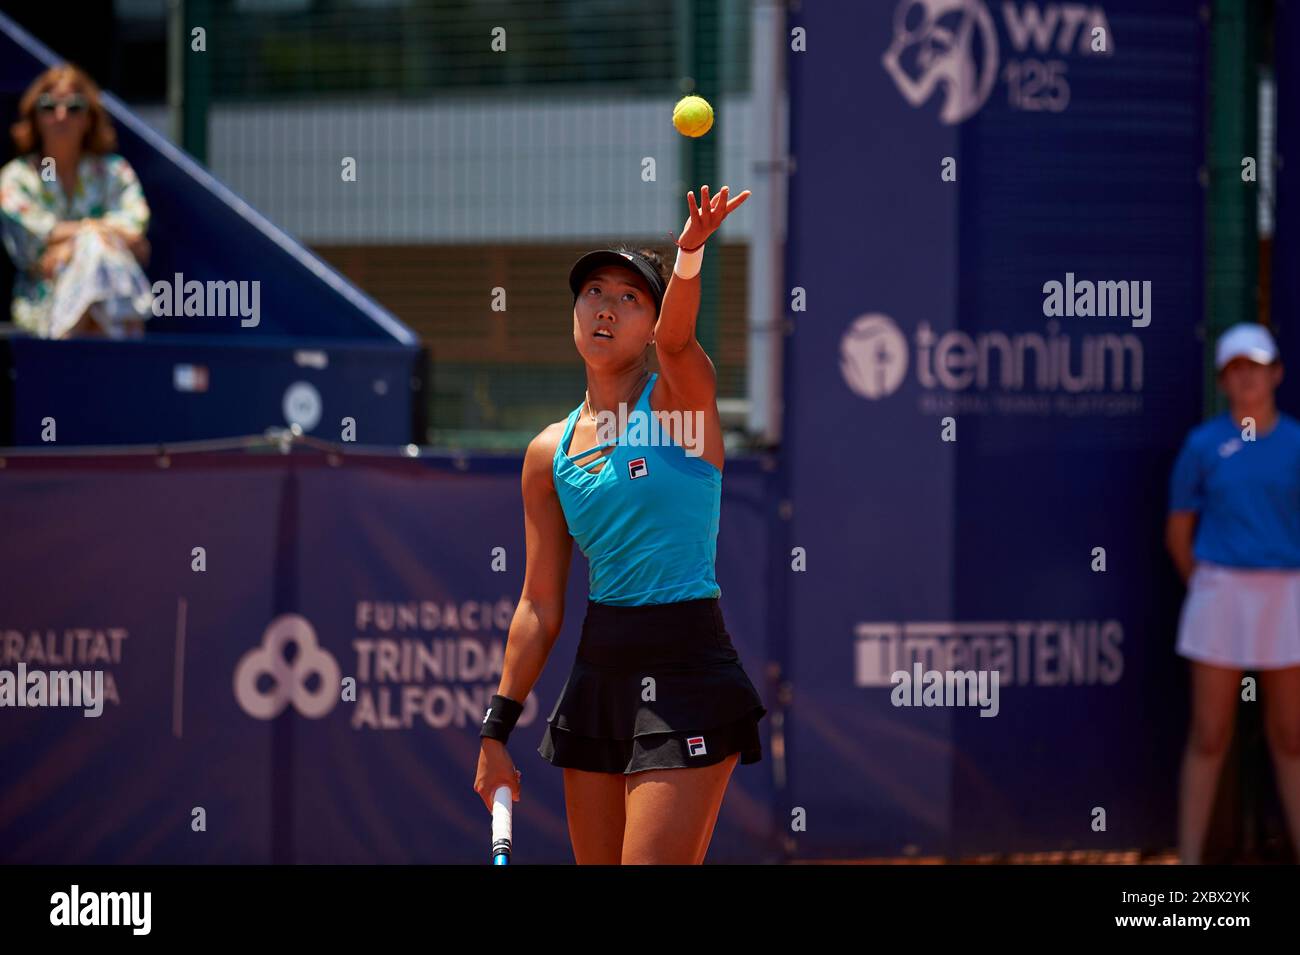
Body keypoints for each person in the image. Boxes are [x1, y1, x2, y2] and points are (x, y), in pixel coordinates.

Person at [472, 185, 767, 864]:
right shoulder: (549, 452)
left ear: (653, 322)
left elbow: (681, 338)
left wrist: (689, 255)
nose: (605, 305)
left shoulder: (681, 405)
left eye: (630, 296)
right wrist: (496, 727)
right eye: (594, 291)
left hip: (688, 666)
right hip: (599, 674)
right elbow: (539, 606)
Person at [1166, 322, 1300, 864]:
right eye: (1235, 369)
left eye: (1255, 366)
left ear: (1276, 375)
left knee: (1291, 736)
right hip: (1218, 595)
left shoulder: (1296, 443)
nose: (1246, 377)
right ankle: (1190, 868)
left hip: (1286, 596)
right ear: (1224, 381)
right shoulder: (1202, 446)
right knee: (1209, 733)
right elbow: (1179, 534)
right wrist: (1210, 587)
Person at [0, 63, 152, 339]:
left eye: (74, 107)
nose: (61, 116)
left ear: (88, 118)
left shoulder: (113, 171)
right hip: (43, 304)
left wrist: (71, 242)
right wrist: (98, 232)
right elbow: (32, 237)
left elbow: (134, 224)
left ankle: (76, 355)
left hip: (109, 299)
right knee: (97, 247)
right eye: (48, 107)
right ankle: (121, 353)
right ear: (34, 116)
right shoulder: (17, 177)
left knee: (95, 250)